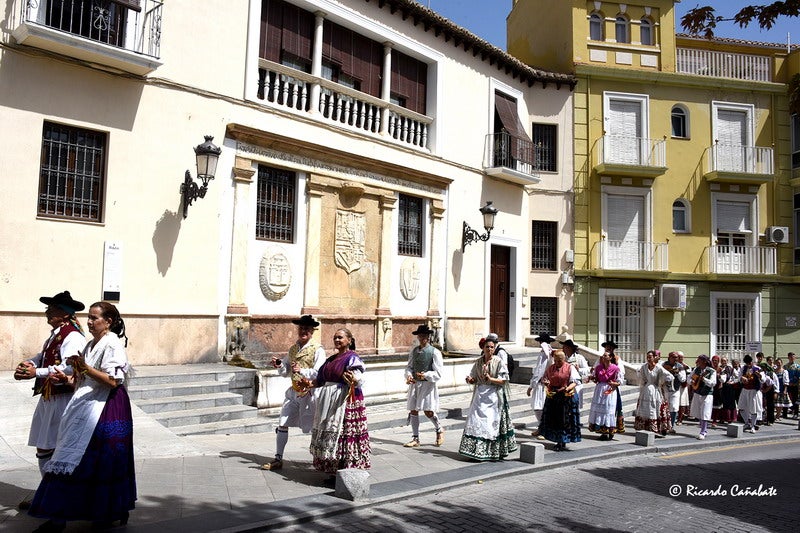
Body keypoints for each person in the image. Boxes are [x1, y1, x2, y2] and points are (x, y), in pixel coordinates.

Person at [29, 301, 135, 532]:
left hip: (107, 408)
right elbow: (82, 378)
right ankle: (60, 515)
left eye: (95, 318)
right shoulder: (90, 345)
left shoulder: (113, 344)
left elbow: (112, 380)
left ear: (108, 321)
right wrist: (66, 379)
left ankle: (105, 511)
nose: (89, 321)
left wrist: (84, 368)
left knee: (101, 461)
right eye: (89, 317)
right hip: (85, 405)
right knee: (72, 456)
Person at [13, 291, 87, 510]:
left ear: (64, 314)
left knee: (52, 448)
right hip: (49, 397)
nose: (48, 312)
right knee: (45, 447)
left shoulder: (72, 336)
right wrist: (29, 363)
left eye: (52, 309)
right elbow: (43, 355)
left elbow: (69, 366)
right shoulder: (56, 334)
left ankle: (54, 498)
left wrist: (36, 372)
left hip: (61, 399)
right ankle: (48, 494)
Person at [262, 315, 327, 471]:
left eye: (306, 329)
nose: (303, 331)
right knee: (283, 422)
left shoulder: (318, 350)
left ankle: (320, 459)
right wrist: (279, 365)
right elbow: (285, 372)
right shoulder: (293, 349)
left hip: (310, 393)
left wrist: (302, 370)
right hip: (293, 392)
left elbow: (320, 373)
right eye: (301, 328)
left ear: (312, 331)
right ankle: (278, 458)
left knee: (314, 427)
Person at [309, 328, 370, 477]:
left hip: (344, 400)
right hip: (328, 401)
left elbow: (359, 376)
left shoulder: (352, 357)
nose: (336, 340)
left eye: (340, 338)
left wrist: (355, 379)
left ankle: (346, 469)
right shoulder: (330, 360)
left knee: (343, 433)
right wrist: (308, 384)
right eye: (335, 337)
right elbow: (321, 379)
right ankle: (332, 470)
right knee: (330, 431)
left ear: (349, 340)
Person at [458, 336, 517, 461]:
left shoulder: (498, 361)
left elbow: (503, 380)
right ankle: (474, 451)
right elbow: (474, 378)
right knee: (475, 421)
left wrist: (491, 379)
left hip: (493, 396)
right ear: (483, 348)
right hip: (480, 396)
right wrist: (470, 380)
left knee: (489, 423)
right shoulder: (479, 362)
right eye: (487, 347)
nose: (489, 349)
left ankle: (490, 452)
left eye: (491, 347)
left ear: (494, 348)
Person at [403, 324, 445, 448]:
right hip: (415, 384)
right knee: (413, 410)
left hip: (427, 385)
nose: (422, 338)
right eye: (420, 336)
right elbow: (409, 366)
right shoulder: (414, 351)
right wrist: (409, 375)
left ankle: (439, 429)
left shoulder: (434, 352)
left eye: (424, 336)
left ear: (428, 337)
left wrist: (426, 375)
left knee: (428, 410)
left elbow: (438, 372)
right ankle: (415, 438)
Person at [538, 349, 582, 451]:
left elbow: (576, 381)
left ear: (564, 359)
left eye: (559, 361)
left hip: (566, 396)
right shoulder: (551, 368)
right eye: (556, 360)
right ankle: (557, 439)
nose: (557, 363)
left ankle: (563, 440)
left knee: (564, 419)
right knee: (555, 419)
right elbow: (545, 378)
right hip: (554, 396)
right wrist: (546, 382)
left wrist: (568, 388)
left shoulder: (569, 368)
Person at [634, 350, 673, 437]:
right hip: (646, 389)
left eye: (650, 357)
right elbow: (640, 376)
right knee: (645, 408)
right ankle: (644, 428)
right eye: (647, 357)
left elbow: (670, 376)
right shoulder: (644, 367)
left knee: (655, 408)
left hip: (655, 390)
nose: (648, 359)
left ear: (654, 357)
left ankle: (655, 428)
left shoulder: (658, 367)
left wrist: (662, 383)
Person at [587, 351, 623, 440]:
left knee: (608, 410)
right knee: (599, 411)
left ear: (610, 357)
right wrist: (593, 378)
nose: (603, 357)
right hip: (600, 389)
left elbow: (620, 381)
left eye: (605, 355)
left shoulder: (615, 368)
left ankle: (610, 430)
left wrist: (614, 383)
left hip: (610, 389)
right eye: (603, 355)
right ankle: (603, 432)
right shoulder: (598, 367)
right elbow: (596, 379)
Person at [526, 333, 554, 440]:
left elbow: (539, 370)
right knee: (540, 406)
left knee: (539, 407)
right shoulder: (548, 353)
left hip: (542, 383)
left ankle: (544, 428)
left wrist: (531, 385)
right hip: (545, 382)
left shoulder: (544, 354)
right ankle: (541, 427)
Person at [600, 340, 626, 433]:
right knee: (602, 408)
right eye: (607, 347)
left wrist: (616, 382)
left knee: (613, 408)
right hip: (602, 387)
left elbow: (621, 372)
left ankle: (612, 429)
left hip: (612, 387)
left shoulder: (617, 359)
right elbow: (596, 369)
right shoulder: (601, 358)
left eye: (610, 347)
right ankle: (603, 430)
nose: (608, 348)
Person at [689, 354, 717, 440]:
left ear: (704, 361)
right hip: (697, 392)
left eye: (699, 360)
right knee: (698, 412)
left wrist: (704, 379)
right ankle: (703, 428)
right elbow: (689, 379)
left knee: (705, 412)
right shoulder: (696, 370)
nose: (698, 361)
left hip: (707, 394)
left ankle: (703, 431)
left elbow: (713, 383)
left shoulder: (711, 371)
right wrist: (692, 381)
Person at [738, 354, 764, 433]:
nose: (748, 364)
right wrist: (742, 378)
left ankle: (753, 426)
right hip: (745, 390)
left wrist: (759, 376)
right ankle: (747, 423)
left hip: (753, 391)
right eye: (747, 363)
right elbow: (739, 377)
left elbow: (763, 379)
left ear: (752, 362)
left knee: (753, 409)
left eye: (749, 363)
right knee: (741, 407)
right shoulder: (744, 368)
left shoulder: (758, 368)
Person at [662, 351, 687, 431]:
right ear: (669, 357)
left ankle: (671, 426)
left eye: (676, 357)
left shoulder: (680, 366)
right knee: (665, 407)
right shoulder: (663, 365)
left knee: (674, 407)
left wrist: (678, 373)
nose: (675, 359)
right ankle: (664, 425)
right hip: (665, 388)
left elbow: (683, 379)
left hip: (675, 389)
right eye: (673, 357)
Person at [676, 351, 691, 424]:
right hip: (675, 387)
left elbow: (689, 377)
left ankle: (680, 419)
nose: (680, 358)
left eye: (681, 357)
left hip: (683, 387)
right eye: (679, 357)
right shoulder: (674, 365)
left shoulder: (686, 366)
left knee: (682, 403)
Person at [785, 352, 799, 418]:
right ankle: (786, 412)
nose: (792, 358)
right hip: (787, 385)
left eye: (793, 357)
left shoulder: (797, 366)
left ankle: (795, 413)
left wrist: (795, 383)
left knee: (795, 399)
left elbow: (798, 377)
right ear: (788, 357)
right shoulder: (785, 366)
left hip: (794, 385)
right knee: (786, 398)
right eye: (790, 357)